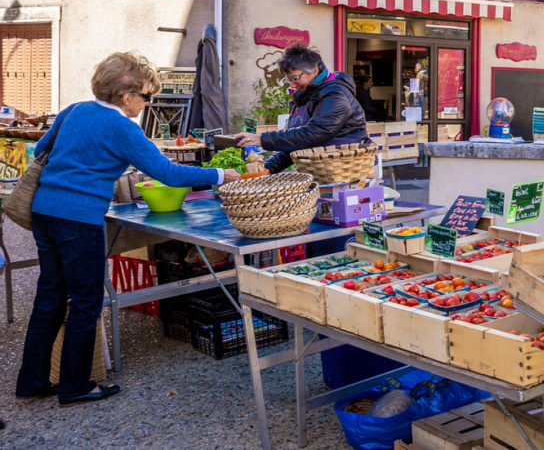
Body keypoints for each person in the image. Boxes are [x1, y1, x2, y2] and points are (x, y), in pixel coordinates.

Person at [16, 52, 240, 406]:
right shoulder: (122, 127)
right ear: (126, 96)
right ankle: (74, 386)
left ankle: (31, 380)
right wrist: (220, 175)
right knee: (86, 302)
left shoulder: (74, 110)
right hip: (80, 219)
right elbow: (168, 174)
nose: (146, 104)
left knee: (50, 297)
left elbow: (41, 149)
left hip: (45, 212)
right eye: (146, 97)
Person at [235, 43, 367, 172]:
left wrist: (262, 139)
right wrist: (267, 169)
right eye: (289, 80)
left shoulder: (336, 94)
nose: (292, 85)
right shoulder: (303, 97)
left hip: (343, 170)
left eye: (295, 78)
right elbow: (296, 144)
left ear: (314, 71)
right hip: (318, 170)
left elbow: (314, 133)